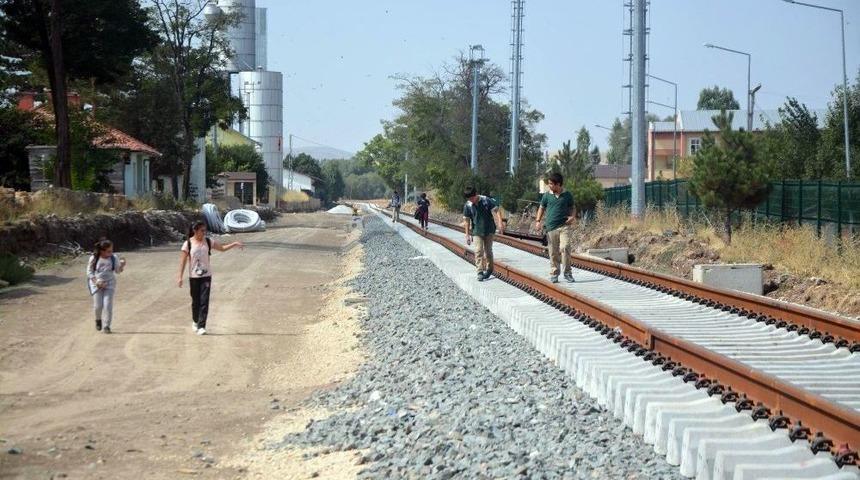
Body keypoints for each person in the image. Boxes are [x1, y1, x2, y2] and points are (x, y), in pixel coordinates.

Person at [176, 221, 244, 335]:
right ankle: (195, 321)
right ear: (195, 230)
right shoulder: (188, 244)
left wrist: (234, 244)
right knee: (195, 301)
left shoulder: (208, 241)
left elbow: (222, 248)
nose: (204, 232)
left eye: (205, 230)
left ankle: (202, 326)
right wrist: (180, 277)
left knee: (204, 301)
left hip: (206, 276)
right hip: (194, 277)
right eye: (202, 230)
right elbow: (182, 261)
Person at [534, 172, 576, 283]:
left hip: (564, 226)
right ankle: (554, 273)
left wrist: (572, 216)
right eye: (549, 184)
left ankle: (567, 273)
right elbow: (541, 208)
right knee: (553, 252)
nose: (549, 186)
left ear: (558, 184)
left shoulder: (567, 195)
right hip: (551, 228)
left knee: (565, 247)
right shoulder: (547, 195)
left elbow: (572, 207)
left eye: (551, 184)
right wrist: (538, 221)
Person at [462, 186, 504, 281]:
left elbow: (497, 210)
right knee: (478, 251)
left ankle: (489, 269)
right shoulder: (468, 205)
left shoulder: (486, 200)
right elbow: (467, 221)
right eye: (469, 199)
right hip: (477, 231)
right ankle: (480, 271)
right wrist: (467, 235)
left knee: (488, 251)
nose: (471, 200)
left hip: (489, 230)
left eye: (472, 198)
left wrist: (500, 223)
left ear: (476, 194)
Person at [87, 238, 126, 334]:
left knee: (108, 305)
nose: (111, 253)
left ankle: (107, 326)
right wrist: (96, 282)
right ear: (102, 251)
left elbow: (117, 271)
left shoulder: (114, 258)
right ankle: (98, 319)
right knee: (98, 306)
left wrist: (122, 266)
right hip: (96, 284)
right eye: (109, 251)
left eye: (112, 250)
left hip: (110, 283)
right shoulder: (94, 258)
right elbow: (89, 272)